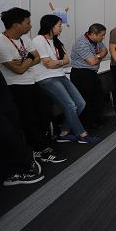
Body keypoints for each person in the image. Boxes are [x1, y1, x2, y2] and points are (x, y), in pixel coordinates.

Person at [0, 8, 65, 163]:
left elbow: (37, 58)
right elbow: (19, 70)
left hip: (31, 82)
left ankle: (42, 145)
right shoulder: (1, 43)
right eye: (27, 23)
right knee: (29, 119)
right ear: (16, 25)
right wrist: (29, 58)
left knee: (45, 112)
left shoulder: (25, 39)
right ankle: (39, 150)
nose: (31, 25)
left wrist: (25, 60)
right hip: (15, 86)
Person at [32, 14, 100, 144]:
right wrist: (59, 62)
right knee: (70, 105)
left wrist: (57, 62)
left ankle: (63, 132)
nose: (61, 28)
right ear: (50, 26)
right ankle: (82, 135)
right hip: (46, 78)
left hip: (60, 75)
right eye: (59, 25)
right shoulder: (39, 40)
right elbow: (48, 64)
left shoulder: (56, 41)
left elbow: (67, 60)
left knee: (81, 103)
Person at [0, 69, 44, 186]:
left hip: (3, 95)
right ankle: (11, 173)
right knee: (7, 133)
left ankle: (23, 163)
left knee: (15, 128)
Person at [70, 23, 108, 129]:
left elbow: (105, 51)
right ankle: (87, 124)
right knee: (86, 100)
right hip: (81, 74)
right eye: (102, 35)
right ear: (93, 34)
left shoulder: (97, 41)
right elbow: (92, 61)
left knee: (98, 97)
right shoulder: (82, 43)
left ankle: (97, 120)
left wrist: (97, 56)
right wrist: (99, 56)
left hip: (91, 73)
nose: (103, 37)